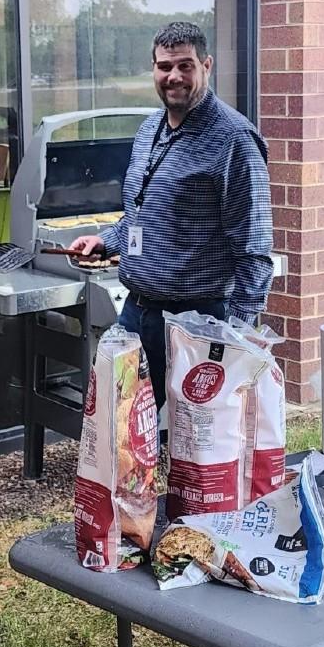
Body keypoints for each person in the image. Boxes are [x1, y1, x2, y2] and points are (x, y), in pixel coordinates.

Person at [69, 20, 273, 406]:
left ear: (207, 65)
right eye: (165, 67)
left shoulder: (233, 140)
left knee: (197, 444)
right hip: (138, 312)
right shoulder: (149, 130)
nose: (174, 76)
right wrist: (105, 241)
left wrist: (235, 338)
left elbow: (255, 246)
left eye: (185, 66)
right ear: (154, 69)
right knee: (121, 428)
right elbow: (141, 214)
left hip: (200, 321)